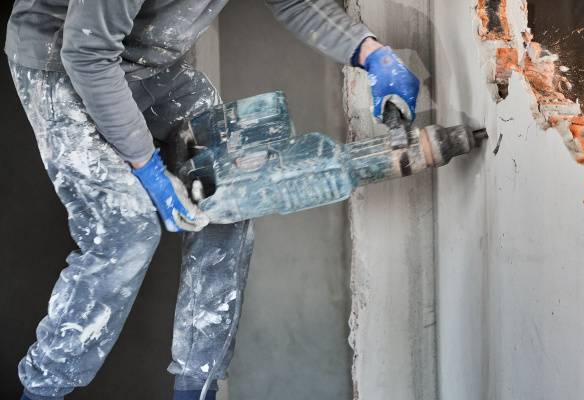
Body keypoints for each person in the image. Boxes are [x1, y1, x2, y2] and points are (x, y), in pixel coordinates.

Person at [5, 1, 420, 399]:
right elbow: (88, 53)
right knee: (127, 229)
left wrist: (370, 53)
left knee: (229, 194)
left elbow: (294, 1)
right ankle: (42, 390)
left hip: (151, 65)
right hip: (62, 62)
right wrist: (146, 165)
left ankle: (195, 389)